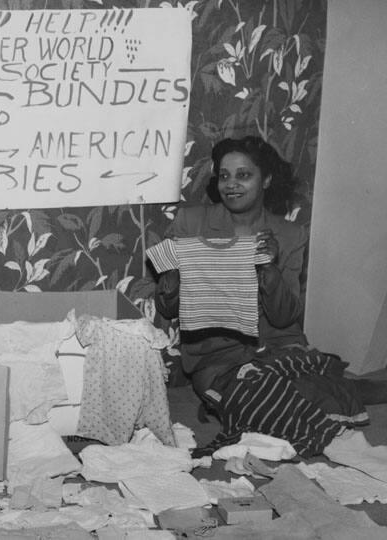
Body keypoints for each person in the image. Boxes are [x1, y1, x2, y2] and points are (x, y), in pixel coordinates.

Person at [153, 135, 387, 457]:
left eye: (244, 175)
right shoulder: (192, 223)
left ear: (266, 180)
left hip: (276, 343)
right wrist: (172, 282)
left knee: (316, 396)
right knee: (265, 403)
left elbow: (284, 317)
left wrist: (270, 269)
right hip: (217, 354)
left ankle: (351, 386)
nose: (231, 184)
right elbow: (167, 307)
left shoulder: (290, 235)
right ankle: (240, 396)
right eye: (224, 175)